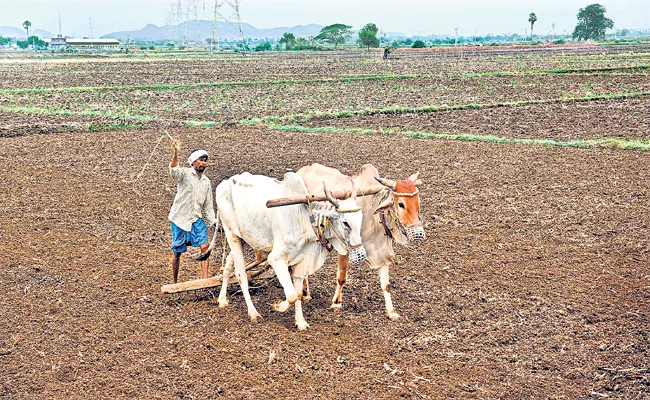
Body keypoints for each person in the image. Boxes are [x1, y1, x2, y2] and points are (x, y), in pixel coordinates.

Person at [168, 137, 218, 283]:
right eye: (200, 160)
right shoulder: (184, 174)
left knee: (205, 247)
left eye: (205, 160)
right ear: (193, 162)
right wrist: (176, 153)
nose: (203, 163)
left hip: (196, 219)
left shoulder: (206, 182)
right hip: (180, 219)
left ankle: (204, 279)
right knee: (177, 252)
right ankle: (175, 281)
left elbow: (208, 206)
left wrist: (214, 222)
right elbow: (173, 171)